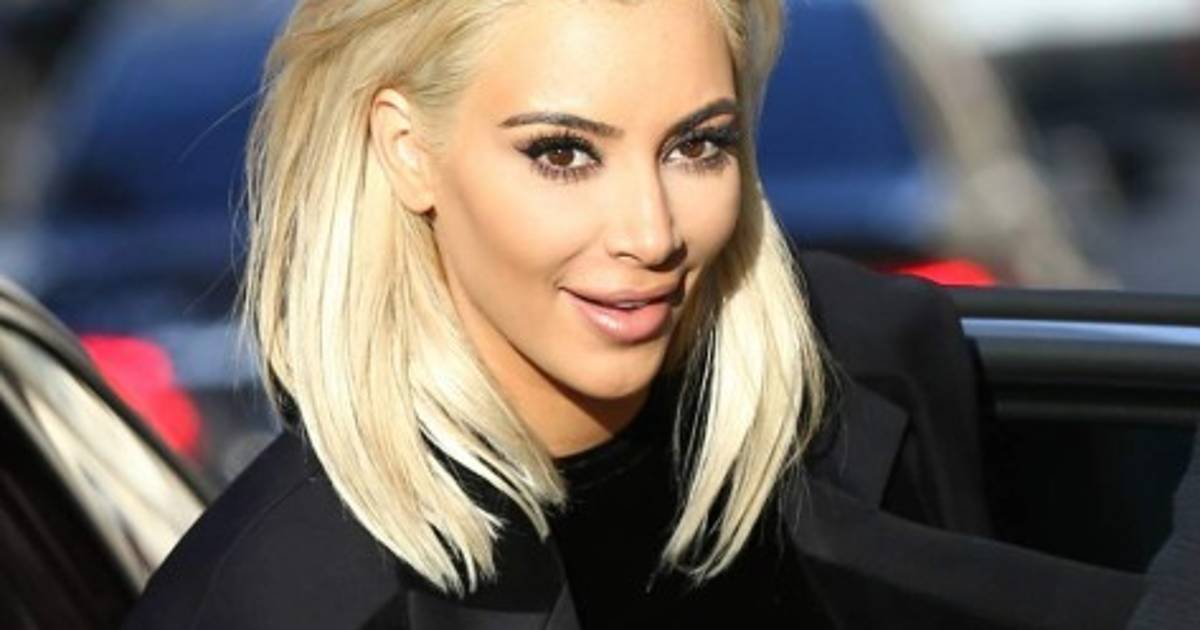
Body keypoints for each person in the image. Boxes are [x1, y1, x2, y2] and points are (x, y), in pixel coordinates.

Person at [124, 1, 1149, 628]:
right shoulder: (286, 596)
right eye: (563, 153)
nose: (652, 232)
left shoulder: (866, 373)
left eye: (698, 146)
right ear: (407, 151)